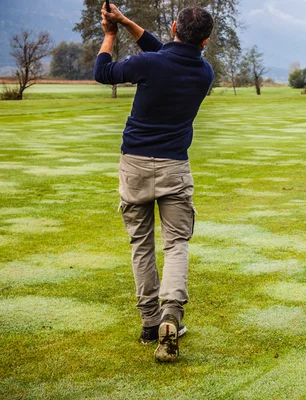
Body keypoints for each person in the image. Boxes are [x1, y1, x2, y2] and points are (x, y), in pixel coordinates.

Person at [95, 4, 214, 362]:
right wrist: (127, 21)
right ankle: (170, 318)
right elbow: (162, 51)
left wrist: (111, 33)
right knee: (176, 244)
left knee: (141, 244)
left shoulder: (150, 63)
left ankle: (150, 323)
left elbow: (103, 72)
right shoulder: (204, 72)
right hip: (175, 168)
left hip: (134, 165)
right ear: (206, 41)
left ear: (174, 26)